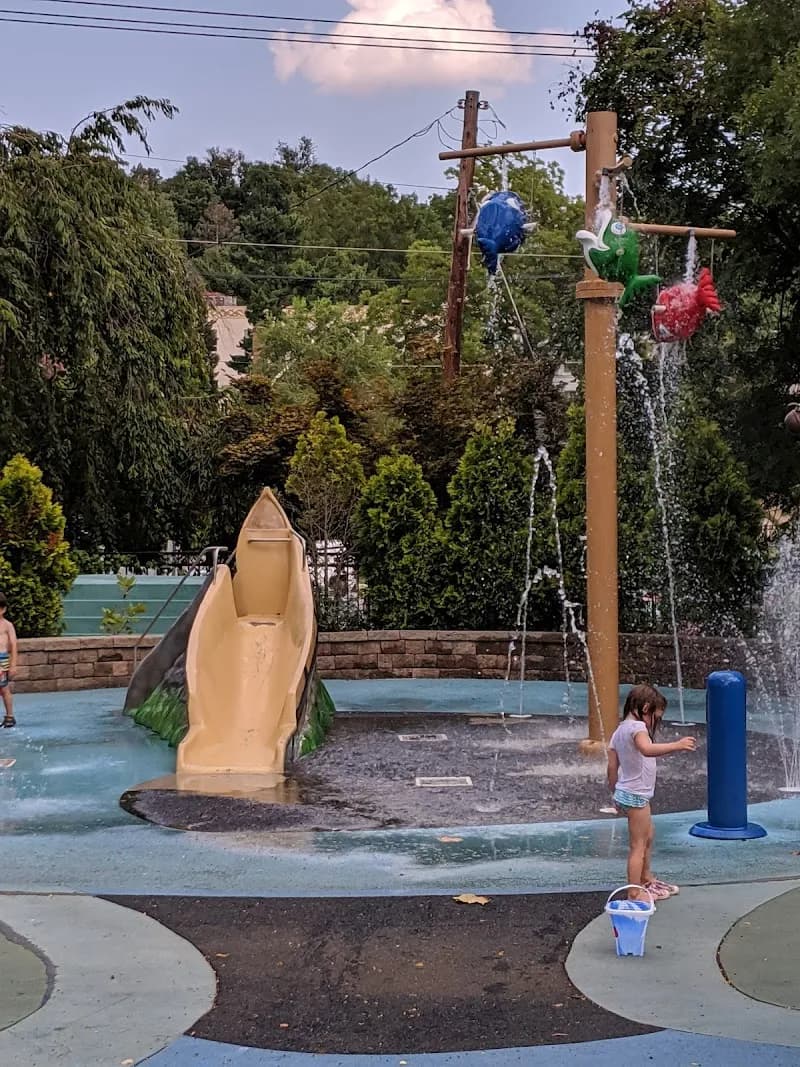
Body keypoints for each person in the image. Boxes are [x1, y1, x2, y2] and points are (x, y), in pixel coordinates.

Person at [607, 684, 696, 902]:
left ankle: (647, 879)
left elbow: (611, 767)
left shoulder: (618, 730)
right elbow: (647, 749)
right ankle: (634, 892)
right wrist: (677, 745)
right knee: (638, 845)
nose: (655, 722)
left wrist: (616, 792)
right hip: (636, 796)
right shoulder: (637, 727)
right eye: (656, 717)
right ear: (646, 708)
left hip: (628, 793)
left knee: (648, 836)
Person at [0, 593, 18, 728]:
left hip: (2, 660)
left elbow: (13, 644)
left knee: (4, 688)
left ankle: (10, 715)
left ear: (3, 609)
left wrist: (13, 665)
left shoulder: (7, 625)